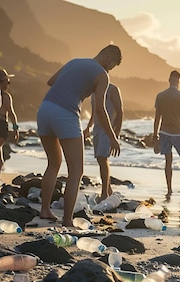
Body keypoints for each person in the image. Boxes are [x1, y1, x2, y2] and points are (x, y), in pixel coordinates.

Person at [37, 45, 121, 227]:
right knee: (76, 170)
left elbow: (51, 81)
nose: (109, 70)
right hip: (65, 114)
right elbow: (100, 108)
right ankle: (67, 220)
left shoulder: (74, 62)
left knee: (53, 163)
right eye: (111, 66)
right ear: (108, 57)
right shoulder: (102, 75)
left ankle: (45, 209)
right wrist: (113, 137)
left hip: (45, 109)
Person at [153, 70, 180, 197]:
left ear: (169, 80)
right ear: (178, 81)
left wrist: (155, 135)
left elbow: (157, 118)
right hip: (178, 133)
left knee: (168, 161)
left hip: (164, 132)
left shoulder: (160, 95)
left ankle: (169, 189)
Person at [84, 82, 123, 202]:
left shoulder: (113, 89)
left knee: (102, 157)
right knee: (100, 159)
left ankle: (105, 193)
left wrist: (115, 134)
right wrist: (88, 127)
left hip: (108, 129)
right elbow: (95, 111)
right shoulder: (94, 90)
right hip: (97, 128)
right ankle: (109, 190)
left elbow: (120, 112)